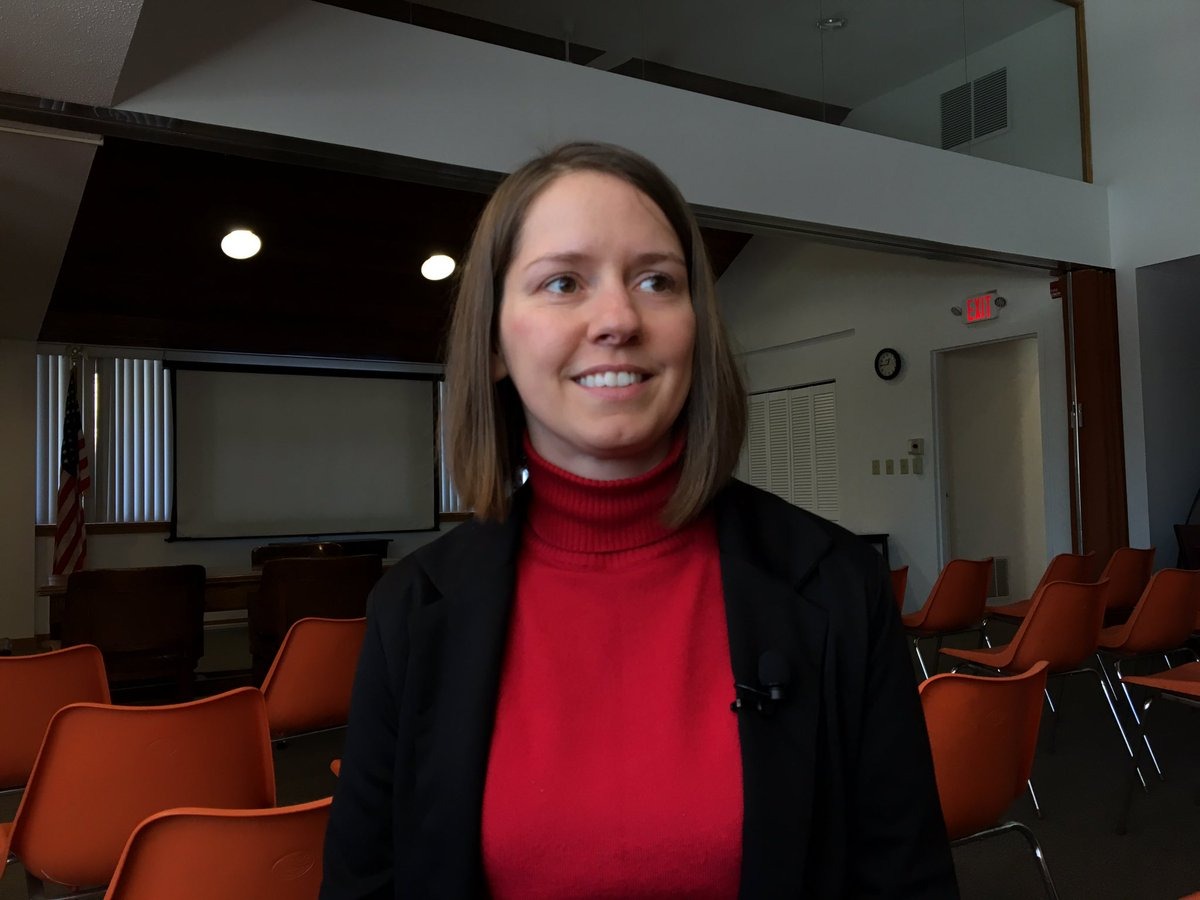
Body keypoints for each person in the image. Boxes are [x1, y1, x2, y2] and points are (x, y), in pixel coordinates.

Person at [321, 141, 957, 898]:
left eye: (657, 280)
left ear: (697, 326)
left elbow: (905, 882)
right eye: (563, 282)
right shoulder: (412, 611)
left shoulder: (837, 588)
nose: (619, 319)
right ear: (494, 341)